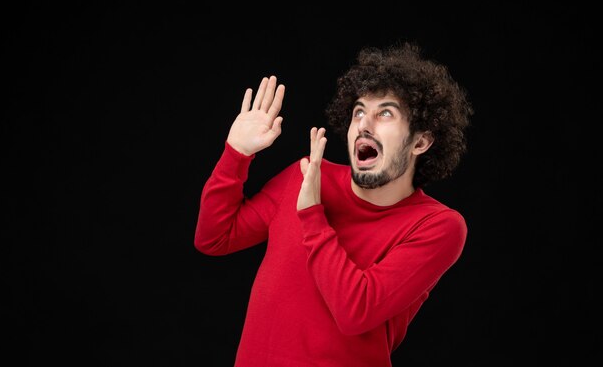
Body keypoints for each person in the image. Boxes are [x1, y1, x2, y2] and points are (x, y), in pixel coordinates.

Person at [194, 41, 473, 367]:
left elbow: (355, 312)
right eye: (358, 112)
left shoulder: (439, 225)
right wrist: (236, 153)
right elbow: (215, 238)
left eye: (385, 113)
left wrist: (312, 215)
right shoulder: (306, 176)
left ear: (421, 141)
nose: (364, 124)